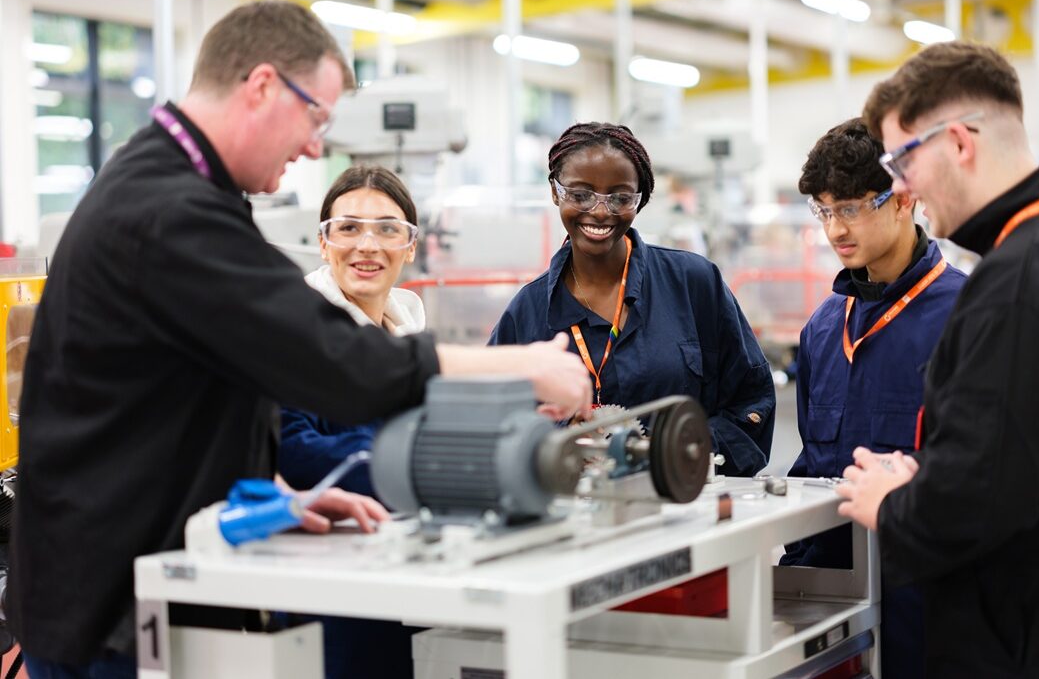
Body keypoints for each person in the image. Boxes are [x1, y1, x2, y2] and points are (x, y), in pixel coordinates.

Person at [9, 0, 591, 676]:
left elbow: (175, 398)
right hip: (110, 606)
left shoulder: (178, 187)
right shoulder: (170, 211)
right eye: (315, 116)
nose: (317, 145)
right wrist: (517, 367)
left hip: (132, 577)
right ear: (260, 86)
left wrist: (271, 493)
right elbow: (335, 360)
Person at [836, 41, 1039, 675]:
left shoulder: (1020, 278)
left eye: (903, 159)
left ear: (959, 142)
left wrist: (894, 503)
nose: (902, 185)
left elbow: (979, 497)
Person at [779, 118, 966, 679]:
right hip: (836, 607)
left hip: (935, 602)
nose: (836, 227)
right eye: (824, 210)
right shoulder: (822, 329)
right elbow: (812, 461)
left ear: (904, 196)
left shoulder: (968, 315)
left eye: (853, 207)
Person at [489, 122, 775, 476]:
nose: (600, 211)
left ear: (640, 199)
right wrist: (562, 437)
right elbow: (495, 425)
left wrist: (676, 452)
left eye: (621, 198)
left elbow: (751, 401)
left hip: (684, 507)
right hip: (573, 515)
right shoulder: (528, 312)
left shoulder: (694, 283)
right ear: (555, 192)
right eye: (580, 194)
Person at [278, 164, 424, 679]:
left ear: (410, 247)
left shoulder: (408, 330)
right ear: (323, 243)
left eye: (388, 228)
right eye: (348, 228)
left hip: (403, 564)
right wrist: (413, 461)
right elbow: (291, 451)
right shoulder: (297, 332)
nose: (368, 245)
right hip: (327, 582)